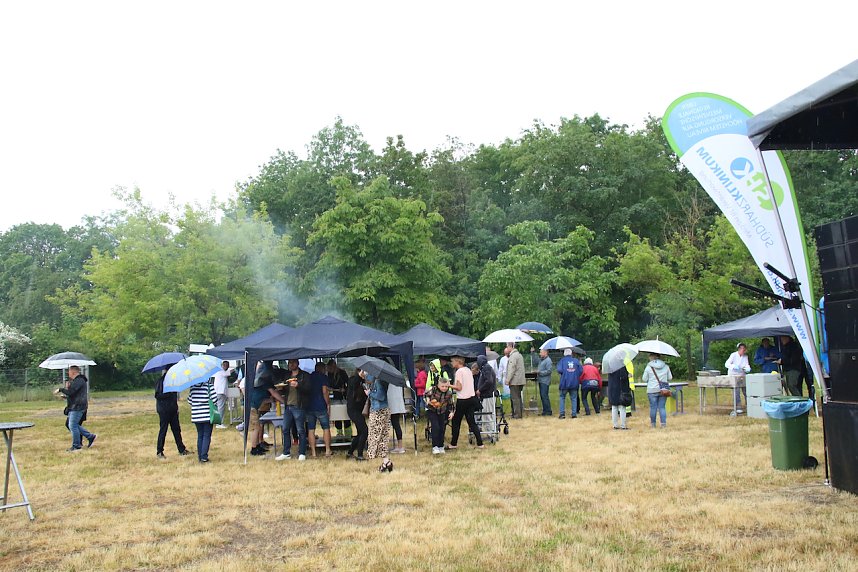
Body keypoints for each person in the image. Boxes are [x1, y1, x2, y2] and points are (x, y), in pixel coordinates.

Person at [56, 365, 96, 452]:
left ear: (74, 372)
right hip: (75, 406)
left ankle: (76, 446)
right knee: (71, 424)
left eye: (69, 371)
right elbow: (73, 394)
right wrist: (66, 395)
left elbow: (71, 392)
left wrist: (61, 389)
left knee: (73, 425)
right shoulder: (76, 381)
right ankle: (90, 436)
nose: (68, 373)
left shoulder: (79, 380)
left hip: (78, 406)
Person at [448, 355, 484, 449]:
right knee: (472, 422)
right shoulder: (468, 370)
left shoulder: (459, 372)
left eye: (452, 361)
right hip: (472, 398)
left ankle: (453, 443)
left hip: (463, 399)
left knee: (456, 422)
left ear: (458, 362)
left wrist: (449, 385)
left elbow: (459, 387)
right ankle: (480, 443)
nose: (451, 363)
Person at [248, 361, 283, 456]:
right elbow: (274, 393)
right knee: (255, 428)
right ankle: (254, 448)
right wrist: (284, 402)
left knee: (259, 426)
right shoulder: (264, 382)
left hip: (255, 406)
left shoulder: (261, 382)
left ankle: (258, 445)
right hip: (252, 407)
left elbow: (265, 398)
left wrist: (270, 400)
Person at [155, 368, 190, 459]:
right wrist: (168, 393)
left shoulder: (173, 382)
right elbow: (158, 395)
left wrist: (176, 407)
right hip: (164, 410)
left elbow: (174, 397)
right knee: (163, 430)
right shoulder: (161, 381)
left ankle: (181, 449)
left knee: (177, 430)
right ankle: (159, 451)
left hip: (173, 409)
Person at [365, 371, 393, 472]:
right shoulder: (382, 380)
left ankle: (374, 457)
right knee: (382, 437)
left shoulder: (377, 382)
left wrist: (369, 393)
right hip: (383, 410)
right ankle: (386, 462)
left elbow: (381, 396)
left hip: (378, 411)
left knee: (375, 435)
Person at [306, 362, 332, 458]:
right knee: (326, 428)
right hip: (320, 405)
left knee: (311, 429)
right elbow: (325, 391)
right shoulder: (323, 377)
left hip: (309, 406)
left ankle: (313, 452)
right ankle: (327, 450)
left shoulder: (309, 377)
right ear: (322, 369)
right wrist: (328, 403)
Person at [424, 375, 455, 454]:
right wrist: (428, 400)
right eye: (442, 386)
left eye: (446, 386)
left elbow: (451, 404)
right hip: (432, 410)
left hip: (442, 411)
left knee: (442, 428)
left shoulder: (449, 393)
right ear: (438, 385)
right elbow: (425, 394)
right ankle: (435, 446)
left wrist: (451, 412)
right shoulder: (433, 389)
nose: (444, 388)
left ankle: (441, 446)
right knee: (436, 427)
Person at [187, 377, 215, 462]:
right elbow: (214, 399)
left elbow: (189, 401)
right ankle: (204, 456)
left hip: (196, 416)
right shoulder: (209, 386)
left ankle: (200, 455)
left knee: (200, 435)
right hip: (207, 415)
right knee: (206, 435)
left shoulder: (193, 387)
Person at [642, 353, 672, 429]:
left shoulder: (649, 367)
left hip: (652, 390)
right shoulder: (666, 366)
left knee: (653, 407)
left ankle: (653, 425)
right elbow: (670, 377)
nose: (649, 357)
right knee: (662, 407)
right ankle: (663, 424)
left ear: (653, 356)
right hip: (663, 389)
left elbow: (644, 379)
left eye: (650, 355)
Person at [346, 368, 369, 461]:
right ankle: (359, 455)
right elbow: (354, 384)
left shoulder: (363, 381)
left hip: (358, 409)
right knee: (364, 431)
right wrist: (360, 374)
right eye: (364, 372)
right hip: (353, 409)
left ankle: (350, 452)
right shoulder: (353, 380)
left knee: (360, 432)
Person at [326, 359, 351, 438]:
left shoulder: (342, 372)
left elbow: (348, 383)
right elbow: (328, 386)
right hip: (335, 396)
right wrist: (334, 390)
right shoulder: (329, 374)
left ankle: (348, 433)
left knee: (345, 414)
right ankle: (339, 433)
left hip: (344, 396)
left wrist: (345, 390)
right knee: (337, 415)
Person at [725, 343, 751, 414]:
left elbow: (746, 365)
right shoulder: (733, 355)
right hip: (733, 375)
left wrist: (747, 368)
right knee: (736, 392)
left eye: (745, 349)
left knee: (746, 391)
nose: (744, 350)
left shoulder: (745, 356)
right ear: (739, 349)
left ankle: (749, 406)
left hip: (742, 375)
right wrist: (733, 366)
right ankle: (738, 407)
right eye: (743, 349)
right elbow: (727, 364)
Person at [556, 349, 581, 419]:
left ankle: (562, 414)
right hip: (574, 382)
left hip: (564, 382)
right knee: (573, 398)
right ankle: (574, 414)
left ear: (564, 354)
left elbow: (559, 370)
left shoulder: (562, 361)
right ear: (571, 354)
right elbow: (581, 370)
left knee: (562, 397)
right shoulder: (576, 361)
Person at [505, 343, 526, 419]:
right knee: (518, 397)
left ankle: (517, 415)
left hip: (515, 381)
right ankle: (519, 414)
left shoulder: (513, 356)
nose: (507, 348)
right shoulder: (519, 355)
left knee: (515, 398)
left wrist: (508, 380)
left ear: (511, 347)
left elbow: (511, 369)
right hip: (520, 380)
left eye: (507, 346)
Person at [607, 365, 631, 430]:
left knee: (614, 407)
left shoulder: (610, 366)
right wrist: (628, 375)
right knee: (622, 407)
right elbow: (623, 377)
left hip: (612, 388)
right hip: (620, 389)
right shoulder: (621, 365)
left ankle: (615, 425)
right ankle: (623, 425)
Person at [388, 380, 407, 454]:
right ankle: (400, 446)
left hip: (390, 403)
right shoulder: (397, 378)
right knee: (396, 424)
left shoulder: (385, 378)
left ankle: (382, 446)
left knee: (390, 425)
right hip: (398, 403)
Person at [212, 360, 232, 429]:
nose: (227, 367)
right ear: (222, 365)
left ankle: (218, 422)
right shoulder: (221, 371)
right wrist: (237, 369)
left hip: (219, 392)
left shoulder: (219, 371)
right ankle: (219, 423)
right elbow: (228, 373)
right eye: (226, 365)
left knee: (219, 407)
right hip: (220, 392)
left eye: (227, 366)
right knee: (221, 408)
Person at [536, 348, 553, 416]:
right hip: (541, 380)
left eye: (541, 352)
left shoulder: (548, 360)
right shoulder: (542, 360)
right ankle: (545, 410)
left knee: (544, 396)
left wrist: (540, 373)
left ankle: (548, 411)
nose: (540, 354)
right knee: (542, 396)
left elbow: (549, 371)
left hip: (545, 381)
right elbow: (535, 360)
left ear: (545, 352)